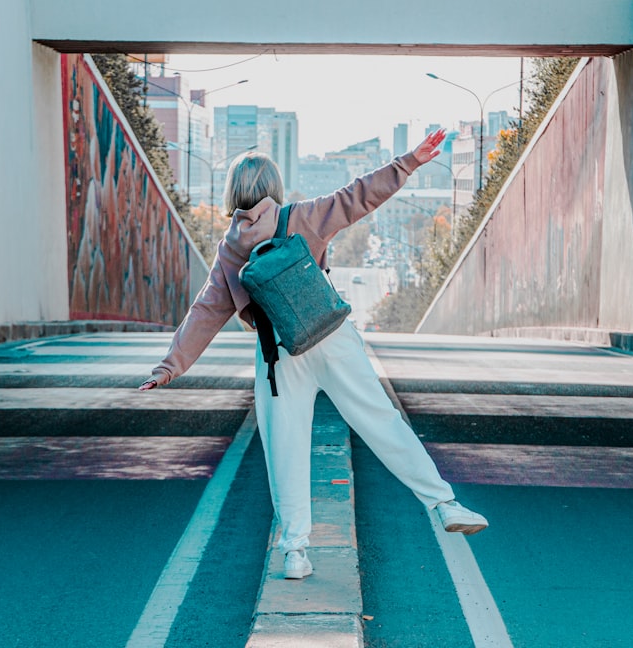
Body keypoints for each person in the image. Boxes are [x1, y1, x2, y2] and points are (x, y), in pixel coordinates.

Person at [139, 129, 488, 580]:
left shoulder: (230, 249)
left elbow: (206, 311)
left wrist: (170, 368)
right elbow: (356, 196)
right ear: (274, 189)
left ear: (233, 195)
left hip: (278, 353)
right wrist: (408, 163)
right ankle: (443, 503)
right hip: (330, 335)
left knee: (285, 449)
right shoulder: (301, 217)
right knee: (380, 421)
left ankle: (296, 553)